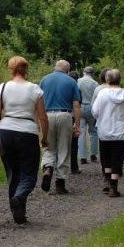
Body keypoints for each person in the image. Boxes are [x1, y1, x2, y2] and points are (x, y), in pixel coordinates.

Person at [0, 56, 48, 224]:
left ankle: (18, 212)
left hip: (6, 131)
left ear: (11, 69)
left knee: (12, 172)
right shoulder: (35, 89)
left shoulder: (3, 87)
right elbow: (42, 116)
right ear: (26, 69)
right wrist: (44, 136)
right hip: (28, 132)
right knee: (29, 173)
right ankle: (20, 197)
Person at [91, 69, 124, 197]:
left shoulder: (102, 94)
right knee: (117, 158)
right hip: (120, 131)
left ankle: (106, 179)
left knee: (106, 156)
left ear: (107, 80)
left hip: (104, 129)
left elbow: (94, 112)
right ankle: (113, 186)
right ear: (119, 79)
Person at [37, 60, 81, 195]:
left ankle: (47, 168)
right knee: (64, 149)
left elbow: (38, 101)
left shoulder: (44, 80)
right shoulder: (72, 82)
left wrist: (38, 120)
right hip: (65, 115)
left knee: (48, 146)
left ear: (55, 68)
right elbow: (76, 105)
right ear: (67, 70)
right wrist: (77, 125)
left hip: (47, 115)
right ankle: (60, 183)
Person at [77, 66, 99, 165]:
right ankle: (93, 154)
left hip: (80, 107)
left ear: (84, 72)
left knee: (81, 132)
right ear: (92, 73)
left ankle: (82, 156)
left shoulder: (78, 81)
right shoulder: (95, 84)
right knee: (93, 131)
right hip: (91, 107)